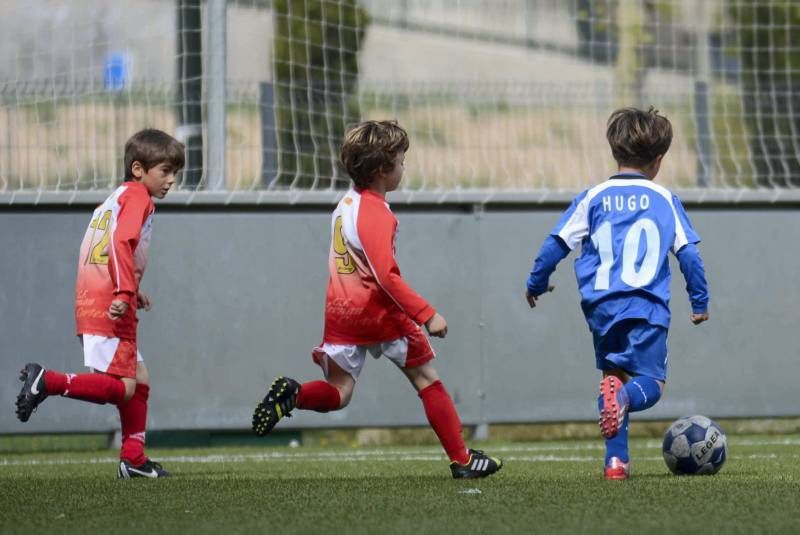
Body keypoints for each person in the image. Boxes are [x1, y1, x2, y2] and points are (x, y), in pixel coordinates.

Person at [252, 120, 502, 479]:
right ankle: (462, 460)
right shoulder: (375, 213)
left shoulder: (346, 204)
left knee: (340, 392)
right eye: (402, 160)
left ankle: (295, 395)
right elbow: (385, 275)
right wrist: (426, 314)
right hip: (379, 313)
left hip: (341, 312)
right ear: (385, 170)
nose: (405, 167)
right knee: (427, 380)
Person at [525, 107, 709, 480]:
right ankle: (624, 399)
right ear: (658, 160)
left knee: (613, 375)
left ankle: (616, 463)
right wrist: (699, 301)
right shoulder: (664, 199)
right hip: (647, 306)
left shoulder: (592, 196)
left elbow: (556, 243)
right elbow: (689, 255)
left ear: (615, 152)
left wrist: (536, 282)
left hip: (600, 307)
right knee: (650, 385)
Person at [15, 128, 184, 479]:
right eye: (165, 171)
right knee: (123, 387)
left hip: (94, 295)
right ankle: (48, 381)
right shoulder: (139, 197)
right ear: (138, 169)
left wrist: (130, 289)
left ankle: (133, 458)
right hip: (109, 301)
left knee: (138, 376)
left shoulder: (114, 199)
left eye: (174, 173)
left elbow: (102, 247)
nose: (171, 180)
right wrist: (123, 293)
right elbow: (121, 243)